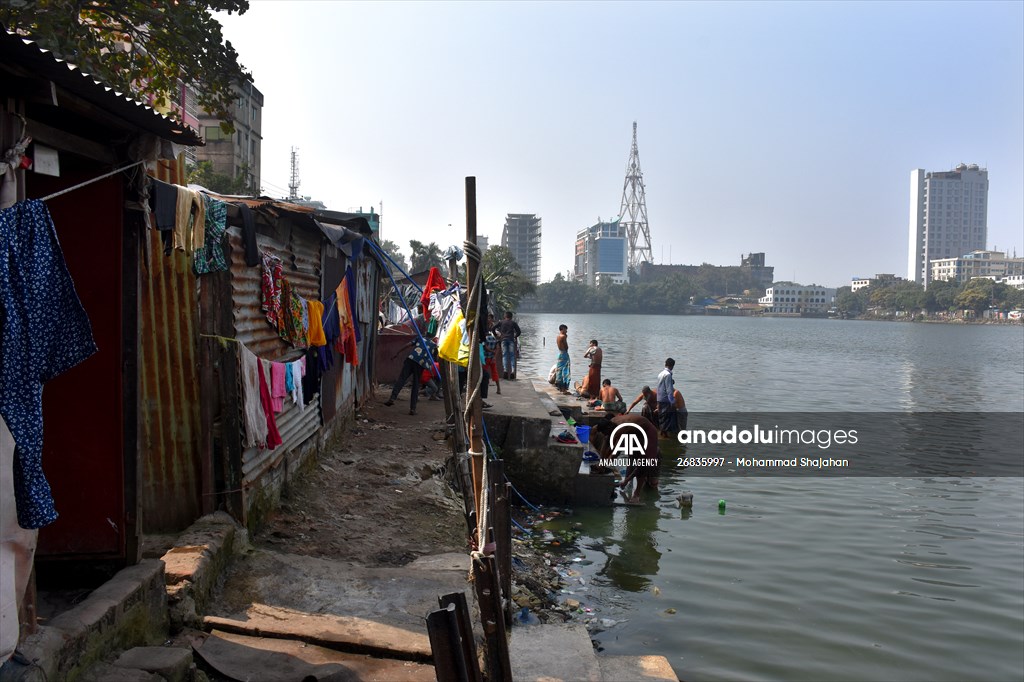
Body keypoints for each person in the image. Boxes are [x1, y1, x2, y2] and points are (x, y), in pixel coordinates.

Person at [592, 414, 660, 503]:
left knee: (644, 463)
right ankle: (626, 482)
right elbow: (606, 442)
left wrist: (604, 464)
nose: (607, 435)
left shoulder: (621, 428)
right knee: (633, 457)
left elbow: (616, 451)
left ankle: (637, 494)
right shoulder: (611, 422)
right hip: (634, 432)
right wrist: (601, 461)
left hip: (648, 432)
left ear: (610, 428)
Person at [384, 336, 437, 415]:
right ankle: (413, 409)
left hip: (411, 359)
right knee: (415, 386)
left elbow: (407, 345)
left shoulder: (420, 338)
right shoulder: (434, 346)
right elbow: (433, 359)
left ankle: (392, 398)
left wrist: (397, 353)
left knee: (401, 379)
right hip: (420, 364)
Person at [495, 311, 521, 380]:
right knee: (512, 355)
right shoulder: (513, 323)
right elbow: (519, 331)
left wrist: (496, 335)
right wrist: (515, 336)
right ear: (511, 317)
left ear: (505, 316)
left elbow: (493, 328)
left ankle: (505, 370)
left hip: (503, 340)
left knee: (505, 355)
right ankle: (512, 371)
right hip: (511, 340)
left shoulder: (501, 322)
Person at [655, 358, 676, 438]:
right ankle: (664, 436)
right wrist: (672, 401)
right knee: (666, 418)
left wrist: (657, 401)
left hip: (660, 398)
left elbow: (659, 388)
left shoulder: (660, 374)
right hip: (665, 399)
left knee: (662, 417)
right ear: (672, 366)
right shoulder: (667, 375)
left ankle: (662, 434)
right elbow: (669, 389)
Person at [553, 324, 571, 394]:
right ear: (562, 329)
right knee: (565, 370)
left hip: (560, 354)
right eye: (566, 329)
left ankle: (560, 387)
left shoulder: (558, 336)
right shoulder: (563, 336)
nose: (566, 331)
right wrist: (566, 337)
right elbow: (566, 347)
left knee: (560, 370)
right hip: (564, 354)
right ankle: (563, 389)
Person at [483, 330, 501, 395]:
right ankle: (498, 388)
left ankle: (484, 388)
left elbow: (485, 347)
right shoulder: (494, 339)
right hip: (492, 359)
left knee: (484, 373)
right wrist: (494, 356)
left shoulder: (485, 339)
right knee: (495, 373)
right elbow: (498, 348)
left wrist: (491, 351)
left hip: (486, 358)